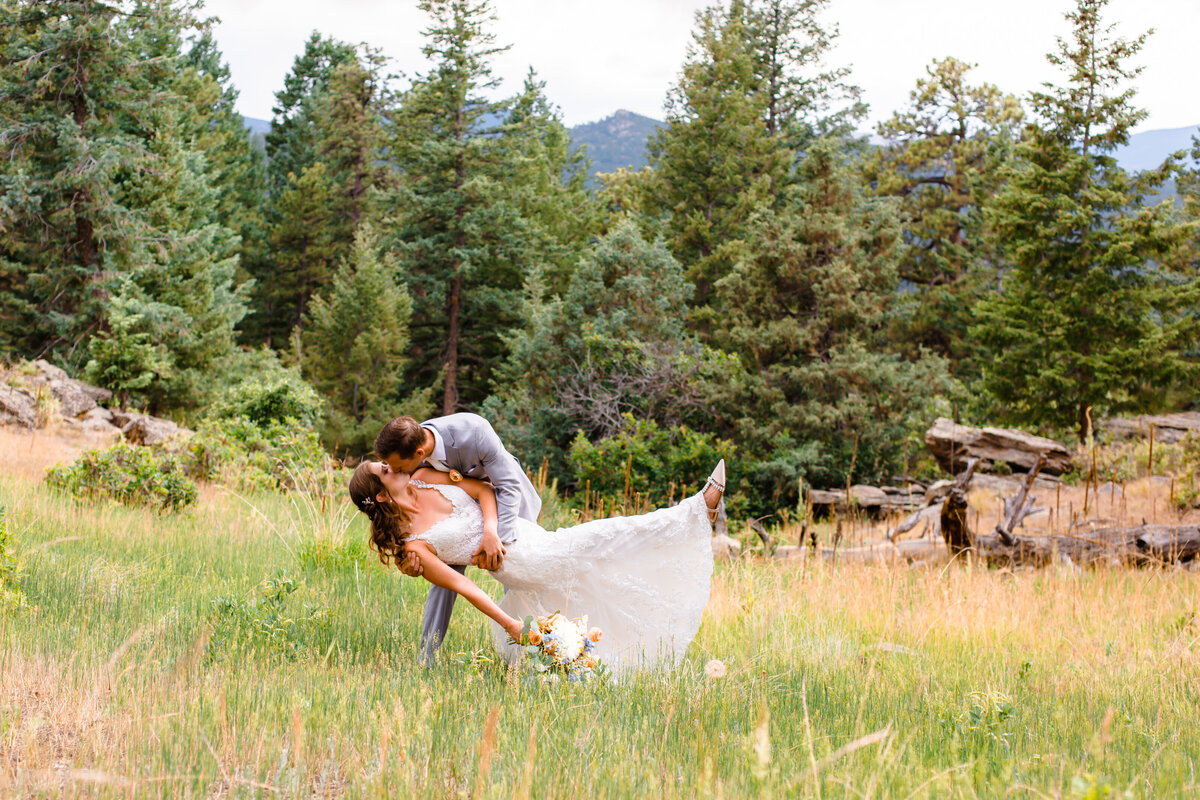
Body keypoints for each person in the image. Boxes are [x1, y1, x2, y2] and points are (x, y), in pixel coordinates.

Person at [348, 457, 725, 673]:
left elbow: (482, 489)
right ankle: (695, 511)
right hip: (524, 562)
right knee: (604, 538)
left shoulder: (425, 478)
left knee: (600, 579)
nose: (392, 464)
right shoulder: (417, 547)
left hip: (520, 533)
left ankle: (601, 658)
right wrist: (509, 624)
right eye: (384, 469)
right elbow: (466, 587)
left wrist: (490, 532)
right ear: (381, 494)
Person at [373, 414, 541, 663]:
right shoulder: (408, 454)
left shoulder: (474, 431)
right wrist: (408, 562)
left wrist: (497, 539)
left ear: (420, 453)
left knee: (516, 575)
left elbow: (508, 486)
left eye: (398, 468)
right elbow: (405, 519)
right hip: (456, 512)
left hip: (508, 506)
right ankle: (426, 657)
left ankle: (532, 652)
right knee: (444, 579)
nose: (396, 472)